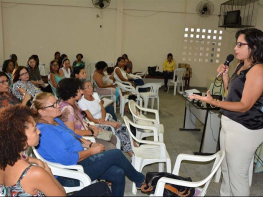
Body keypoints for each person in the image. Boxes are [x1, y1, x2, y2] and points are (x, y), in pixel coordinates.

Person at [188, 28, 263, 196]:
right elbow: (231, 94)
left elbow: (244, 105)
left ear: (254, 46)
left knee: (238, 177)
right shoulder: (240, 66)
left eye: (240, 44)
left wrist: (214, 102)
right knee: (227, 171)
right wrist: (226, 76)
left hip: (245, 129)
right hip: (230, 124)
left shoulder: (258, 70)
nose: (235, 48)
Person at [32, 92, 145, 196]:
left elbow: (73, 135)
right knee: (116, 154)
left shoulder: (55, 120)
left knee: (118, 173)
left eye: (56, 102)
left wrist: (90, 145)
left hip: (79, 162)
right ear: (42, 112)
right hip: (69, 173)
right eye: (53, 105)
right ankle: (141, 180)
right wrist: (91, 151)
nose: (58, 106)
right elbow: (67, 159)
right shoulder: (45, 132)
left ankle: (140, 181)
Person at [0, 104, 112, 196]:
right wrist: (48, 172)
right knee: (102, 188)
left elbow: (26, 157)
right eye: (34, 130)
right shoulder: (35, 173)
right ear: (21, 139)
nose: (39, 132)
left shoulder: (8, 158)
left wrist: (37, 161)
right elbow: (62, 194)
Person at [57, 78, 117, 150]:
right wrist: (91, 132)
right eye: (79, 90)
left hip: (86, 131)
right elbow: (72, 132)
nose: (82, 92)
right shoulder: (67, 109)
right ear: (71, 91)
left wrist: (90, 125)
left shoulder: (73, 103)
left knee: (113, 138)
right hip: (82, 139)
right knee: (112, 147)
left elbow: (79, 121)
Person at [78, 79, 134, 157]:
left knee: (123, 127)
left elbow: (102, 109)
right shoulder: (81, 102)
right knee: (119, 129)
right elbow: (91, 118)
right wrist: (106, 123)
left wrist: (104, 119)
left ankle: (131, 147)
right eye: (88, 87)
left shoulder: (95, 95)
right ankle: (131, 151)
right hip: (96, 124)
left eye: (91, 85)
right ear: (82, 91)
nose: (91, 88)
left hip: (105, 118)